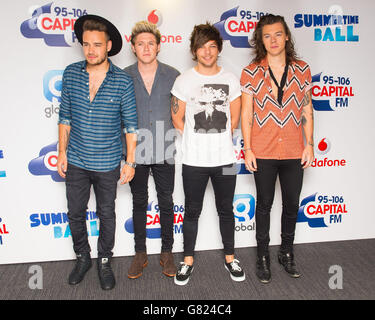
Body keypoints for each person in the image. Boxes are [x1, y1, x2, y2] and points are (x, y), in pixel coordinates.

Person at [57, 14, 138, 290]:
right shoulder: (70, 73)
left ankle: (104, 260)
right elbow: (64, 117)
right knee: (75, 213)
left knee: (107, 214)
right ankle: (83, 257)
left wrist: (130, 161)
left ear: (109, 46)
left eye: (97, 45)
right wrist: (62, 151)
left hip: (107, 163)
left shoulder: (123, 81)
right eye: (86, 44)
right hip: (77, 159)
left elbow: (130, 126)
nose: (91, 50)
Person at [240, 14, 314, 284]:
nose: (273, 40)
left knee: (292, 205)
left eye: (278, 34)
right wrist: (248, 148)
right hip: (263, 150)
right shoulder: (251, 71)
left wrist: (310, 145)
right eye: (267, 35)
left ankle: (286, 252)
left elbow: (306, 107)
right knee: (264, 205)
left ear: (286, 37)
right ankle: (262, 257)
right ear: (261, 39)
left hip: (294, 150)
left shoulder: (302, 69)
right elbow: (246, 114)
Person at [171, 22, 245, 286]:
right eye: (202, 47)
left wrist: (220, 138)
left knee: (226, 210)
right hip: (194, 161)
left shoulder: (230, 80)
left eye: (212, 46)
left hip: (226, 159)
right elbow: (176, 117)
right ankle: (187, 260)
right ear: (194, 50)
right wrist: (193, 137)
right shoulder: (184, 80)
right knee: (191, 211)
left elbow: (234, 118)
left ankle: (230, 258)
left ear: (219, 49)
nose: (207, 51)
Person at [123, 21, 180, 279]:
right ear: (133, 47)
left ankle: (167, 253)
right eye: (140, 43)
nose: (146, 47)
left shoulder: (173, 75)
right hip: (135, 152)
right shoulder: (123, 76)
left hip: (165, 150)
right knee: (139, 203)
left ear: (158, 46)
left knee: (166, 203)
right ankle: (140, 253)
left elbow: (181, 114)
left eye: (150, 43)